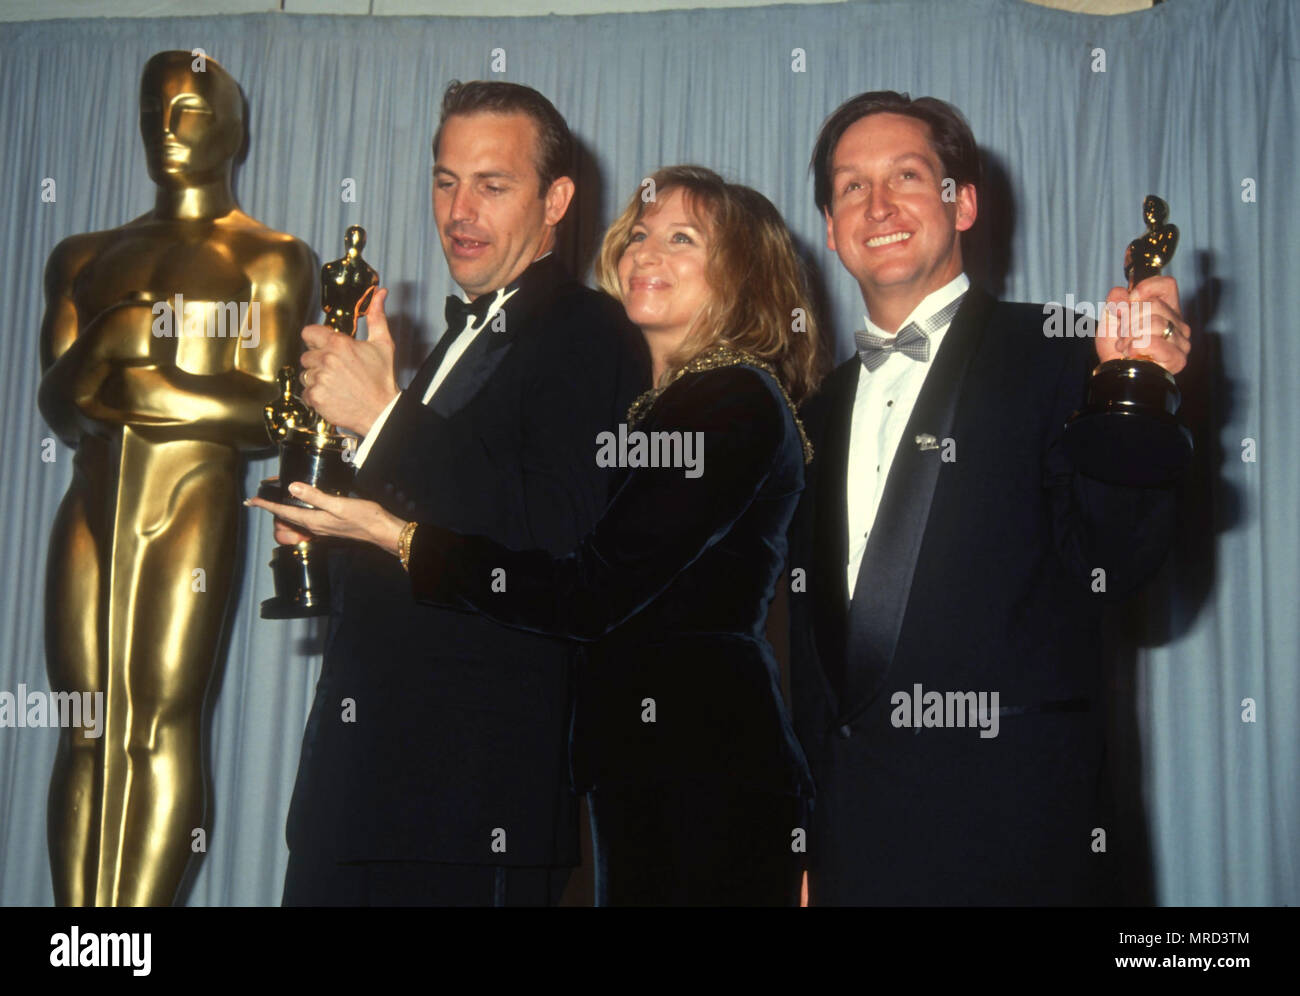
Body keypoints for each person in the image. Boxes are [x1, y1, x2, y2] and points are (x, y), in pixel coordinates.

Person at [251, 165, 829, 905]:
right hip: (640, 778)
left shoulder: (733, 398)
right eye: (641, 235)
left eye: (683, 239)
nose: (646, 253)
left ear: (744, 273)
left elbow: (585, 591)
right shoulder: (660, 409)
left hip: (707, 779)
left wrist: (399, 536)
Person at [786, 91, 1190, 904]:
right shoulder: (809, 411)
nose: (879, 204)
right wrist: (804, 849)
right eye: (851, 187)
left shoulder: (1063, 352)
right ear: (831, 228)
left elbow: (1121, 560)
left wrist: (1139, 397)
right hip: (853, 859)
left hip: (1020, 853)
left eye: (907, 175)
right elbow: (812, 663)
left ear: (961, 201)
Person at [272, 80, 647, 906]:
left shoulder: (589, 331)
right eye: (445, 180)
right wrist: (330, 540)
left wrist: (384, 414)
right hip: (357, 804)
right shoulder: (459, 337)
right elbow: (439, 541)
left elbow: (555, 534)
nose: (459, 209)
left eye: (492, 184)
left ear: (557, 200)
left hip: (470, 816)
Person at [37, 50, 314, 906]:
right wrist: (108, 347)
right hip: (88, 499)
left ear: (233, 126)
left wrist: (129, 362)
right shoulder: (83, 254)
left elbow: (271, 412)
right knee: (85, 728)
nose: (169, 130)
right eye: (155, 111)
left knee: (157, 725)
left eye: (191, 111)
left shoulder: (270, 257)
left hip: (190, 501)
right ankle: (80, 939)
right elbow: (58, 405)